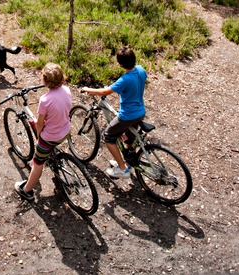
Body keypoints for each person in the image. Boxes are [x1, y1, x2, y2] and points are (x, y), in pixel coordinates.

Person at [81, 46, 147, 179]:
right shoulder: (141, 70)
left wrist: (87, 89)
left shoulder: (125, 79)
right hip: (140, 112)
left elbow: (105, 92)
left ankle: (122, 170)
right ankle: (126, 162)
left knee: (108, 137)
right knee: (129, 138)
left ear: (120, 64)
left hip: (127, 116)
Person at [14, 63, 72, 201]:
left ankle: (26, 190)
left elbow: (40, 122)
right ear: (62, 78)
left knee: (37, 163)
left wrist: (40, 137)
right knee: (51, 146)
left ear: (45, 81)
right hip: (66, 130)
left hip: (50, 137)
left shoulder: (45, 100)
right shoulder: (67, 90)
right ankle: (55, 158)